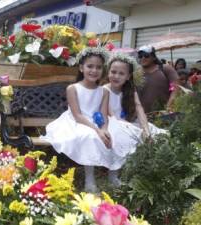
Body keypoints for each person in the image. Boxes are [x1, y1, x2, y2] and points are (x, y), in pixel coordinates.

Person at [41, 47, 136, 192]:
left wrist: (104, 129)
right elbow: (77, 115)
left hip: (98, 122)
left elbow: (103, 114)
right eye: (90, 66)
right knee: (89, 136)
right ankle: (89, 180)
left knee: (118, 135)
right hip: (77, 122)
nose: (94, 70)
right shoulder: (73, 88)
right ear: (81, 68)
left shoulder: (104, 91)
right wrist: (97, 130)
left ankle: (113, 175)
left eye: (98, 67)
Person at [104, 53, 166, 141]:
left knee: (154, 133)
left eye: (121, 73)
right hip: (113, 123)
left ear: (128, 76)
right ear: (108, 72)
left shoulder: (130, 91)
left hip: (126, 122)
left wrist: (146, 129)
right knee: (133, 135)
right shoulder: (104, 91)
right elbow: (113, 117)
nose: (116, 76)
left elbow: (139, 110)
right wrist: (132, 128)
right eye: (113, 72)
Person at [136, 45, 179, 113]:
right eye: (140, 56)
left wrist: (169, 106)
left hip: (162, 114)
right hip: (140, 115)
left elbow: (175, 88)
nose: (143, 58)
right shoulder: (136, 73)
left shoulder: (165, 69)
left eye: (146, 55)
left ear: (153, 57)